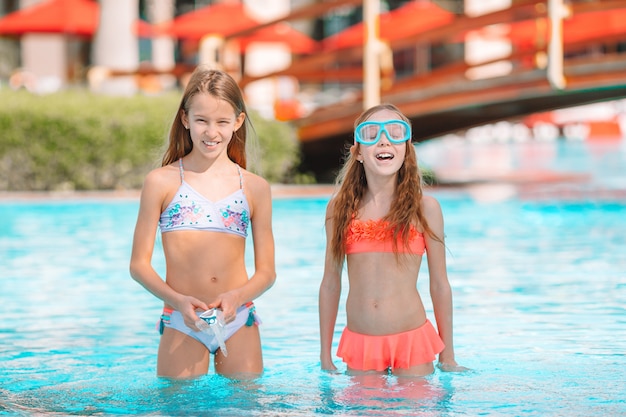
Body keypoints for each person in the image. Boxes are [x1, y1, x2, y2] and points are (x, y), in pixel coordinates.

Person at [130, 66, 276, 379]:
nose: (212, 132)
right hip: (182, 317)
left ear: (237, 122)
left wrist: (237, 297)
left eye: (222, 122)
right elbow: (138, 265)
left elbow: (267, 272)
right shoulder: (161, 182)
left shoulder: (254, 187)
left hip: (237, 317)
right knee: (180, 408)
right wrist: (177, 300)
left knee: (244, 409)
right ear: (185, 119)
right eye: (201, 121)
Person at [318, 103, 466, 377]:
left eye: (395, 133)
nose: (383, 140)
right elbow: (330, 283)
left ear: (406, 150)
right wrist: (325, 356)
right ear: (358, 152)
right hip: (361, 345)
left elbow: (440, 284)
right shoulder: (339, 209)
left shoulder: (425, 208)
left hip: (412, 341)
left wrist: (448, 354)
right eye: (372, 133)